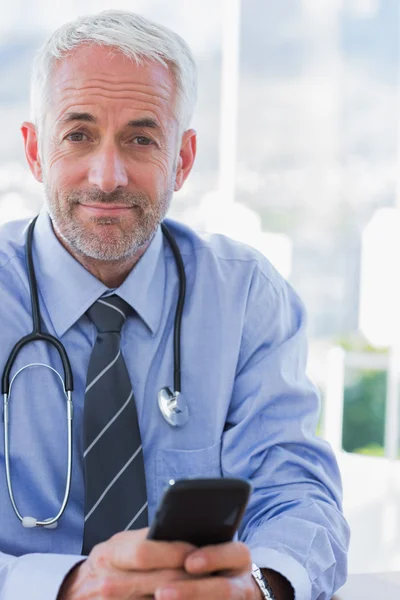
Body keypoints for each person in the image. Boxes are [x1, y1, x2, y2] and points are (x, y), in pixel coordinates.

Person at [0, 10, 349, 600]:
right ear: (35, 150)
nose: (107, 176)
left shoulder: (242, 297)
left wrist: (259, 586)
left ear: (182, 160)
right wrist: (67, 586)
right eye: (78, 134)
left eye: (141, 139)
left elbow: (296, 491)